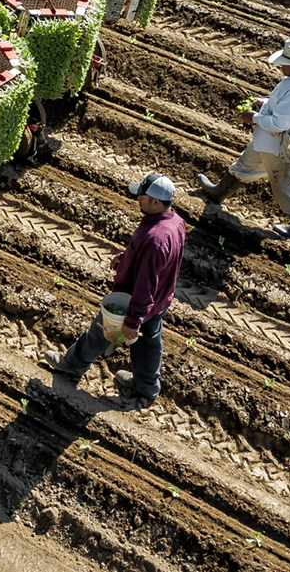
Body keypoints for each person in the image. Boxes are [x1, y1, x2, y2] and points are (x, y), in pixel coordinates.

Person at [44, 174, 187, 408]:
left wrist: (133, 319)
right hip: (160, 300)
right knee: (150, 342)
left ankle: (71, 365)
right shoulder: (174, 221)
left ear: (156, 202)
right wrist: (127, 257)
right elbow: (159, 261)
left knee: (101, 331)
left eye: (143, 196)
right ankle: (147, 386)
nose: (138, 198)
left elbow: (146, 281)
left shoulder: (155, 239)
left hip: (134, 301)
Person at [197, 38, 290, 240]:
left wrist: (253, 117)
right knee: (245, 164)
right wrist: (264, 102)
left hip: (278, 147)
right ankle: (217, 193)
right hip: (267, 141)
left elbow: (280, 123)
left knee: (284, 184)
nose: (281, 66)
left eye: (284, 62)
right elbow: (282, 106)